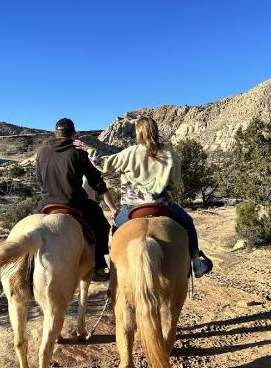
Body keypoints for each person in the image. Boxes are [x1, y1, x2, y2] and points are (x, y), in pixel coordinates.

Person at [75, 116, 212, 277]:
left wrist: (88, 149)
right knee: (188, 223)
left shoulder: (129, 153)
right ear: (155, 131)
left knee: (116, 230)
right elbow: (175, 184)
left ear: (138, 134)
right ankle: (197, 264)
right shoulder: (169, 153)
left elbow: (105, 165)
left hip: (132, 208)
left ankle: (115, 270)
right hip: (162, 204)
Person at [35, 118, 116, 281]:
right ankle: (99, 266)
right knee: (101, 225)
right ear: (73, 134)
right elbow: (96, 182)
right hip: (75, 202)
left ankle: (27, 267)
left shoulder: (42, 151)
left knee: (31, 227)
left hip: (47, 202)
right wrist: (112, 207)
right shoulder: (78, 151)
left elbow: (39, 181)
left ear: (55, 134)